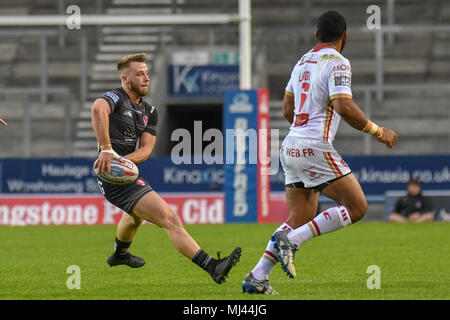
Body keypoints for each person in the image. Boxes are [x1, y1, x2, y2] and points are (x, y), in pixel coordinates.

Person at [242, 11, 398, 294]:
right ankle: (293, 241)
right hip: (313, 146)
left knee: (300, 217)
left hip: (290, 146)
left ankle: (257, 276)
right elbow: (344, 107)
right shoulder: (338, 62)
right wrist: (378, 131)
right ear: (345, 36)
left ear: (316, 35)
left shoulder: (301, 62)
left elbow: (288, 110)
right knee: (357, 207)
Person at [91, 53, 241, 284]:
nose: (146, 78)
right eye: (139, 74)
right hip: (111, 177)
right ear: (125, 78)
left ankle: (120, 254)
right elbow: (97, 110)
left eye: (147, 73)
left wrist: (124, 162)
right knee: (170, 218)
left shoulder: (150, 112)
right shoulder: (116, 98)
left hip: (123, 171)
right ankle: (212, 266)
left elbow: (147, 150)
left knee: (135, 217)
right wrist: (107, 150)